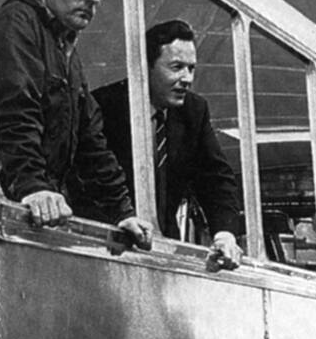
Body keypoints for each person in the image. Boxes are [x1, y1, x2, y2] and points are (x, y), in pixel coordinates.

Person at [0, 0, 152, 249]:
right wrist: (32, 186)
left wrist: (121, 211)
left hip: (39, 213)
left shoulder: (65, 47)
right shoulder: (17, 25)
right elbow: (15, 110)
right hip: (11, 213)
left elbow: (91, 139)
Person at [89, 19, 242, 268]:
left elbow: (215, 179)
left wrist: (224, 233)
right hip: (110, 248)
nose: (187, 78)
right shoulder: (104, 106)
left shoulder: (194, 111)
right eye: (176, 67)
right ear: (146, 67)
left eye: (191, 69)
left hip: (164, 251)